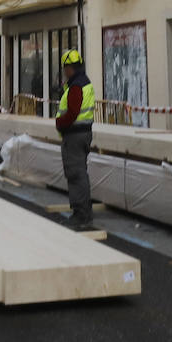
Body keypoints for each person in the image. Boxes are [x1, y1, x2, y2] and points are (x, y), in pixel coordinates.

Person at [54, 48, 95, 229]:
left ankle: (81, 215)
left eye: (65, 68)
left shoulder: (76, 86)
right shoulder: (84, 83)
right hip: (82, 133)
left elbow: (72, 113)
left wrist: (59, 123)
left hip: (75, 135)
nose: (64, 72)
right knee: (80, 173)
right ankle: (83, 211)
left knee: (76, 173)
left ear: (70, 68)